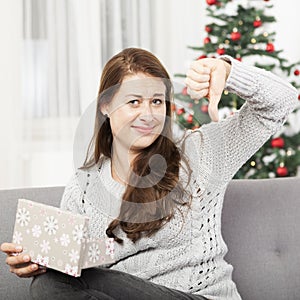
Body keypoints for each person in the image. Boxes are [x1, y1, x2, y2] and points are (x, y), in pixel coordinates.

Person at [1, 47, 298, 300]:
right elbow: (76, 268)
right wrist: (43, 262)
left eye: (156, 101)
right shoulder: (84, 186)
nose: (148, 114)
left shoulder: (200, 153)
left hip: (200, 296)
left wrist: (227, 70)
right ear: (106, 106)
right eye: (134, 102)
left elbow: (281, 100)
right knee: (48, 284)